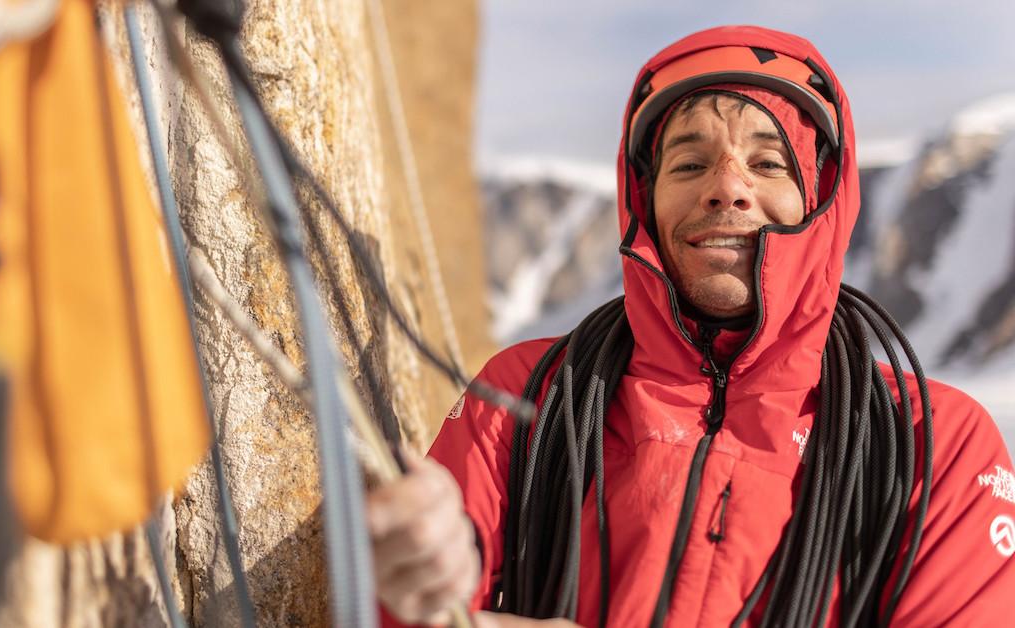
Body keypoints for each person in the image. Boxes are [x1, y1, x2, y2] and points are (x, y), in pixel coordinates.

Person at [367, 25, 1015, 627]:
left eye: (768, 164)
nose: (727, 187)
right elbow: (403, 607)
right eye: (688, 164)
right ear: (642, 200)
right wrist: (416, 576)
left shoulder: (934, 445)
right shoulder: (526, 396)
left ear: (820, 201)